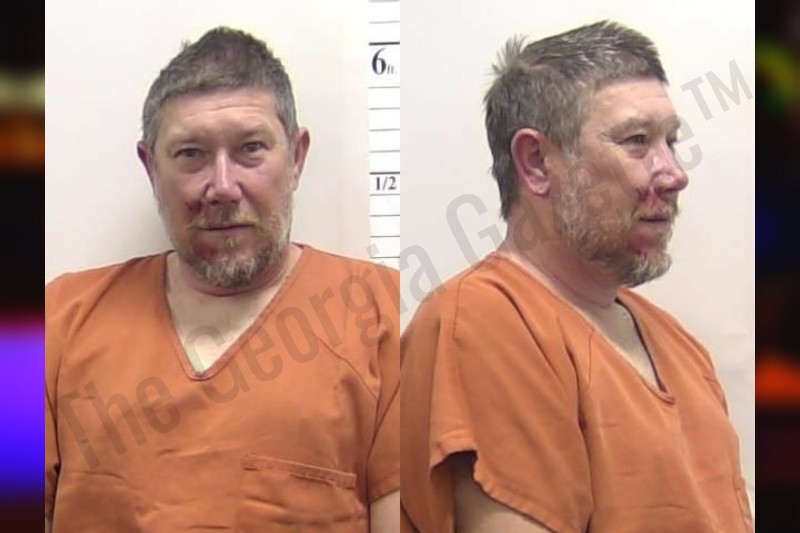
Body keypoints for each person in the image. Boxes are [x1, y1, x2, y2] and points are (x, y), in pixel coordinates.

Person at [400, 21, 753, 532]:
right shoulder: (481, 324)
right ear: (536, 162)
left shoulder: (681, 348)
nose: (675, 173)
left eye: (671, 140)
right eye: (637, 141)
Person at [45, 27, 399, 532]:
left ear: (297, 157)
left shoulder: (384, 313)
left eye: (251, 148)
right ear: (150, 167)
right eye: (191, 154)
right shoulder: (48, 321)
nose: (223, 187)